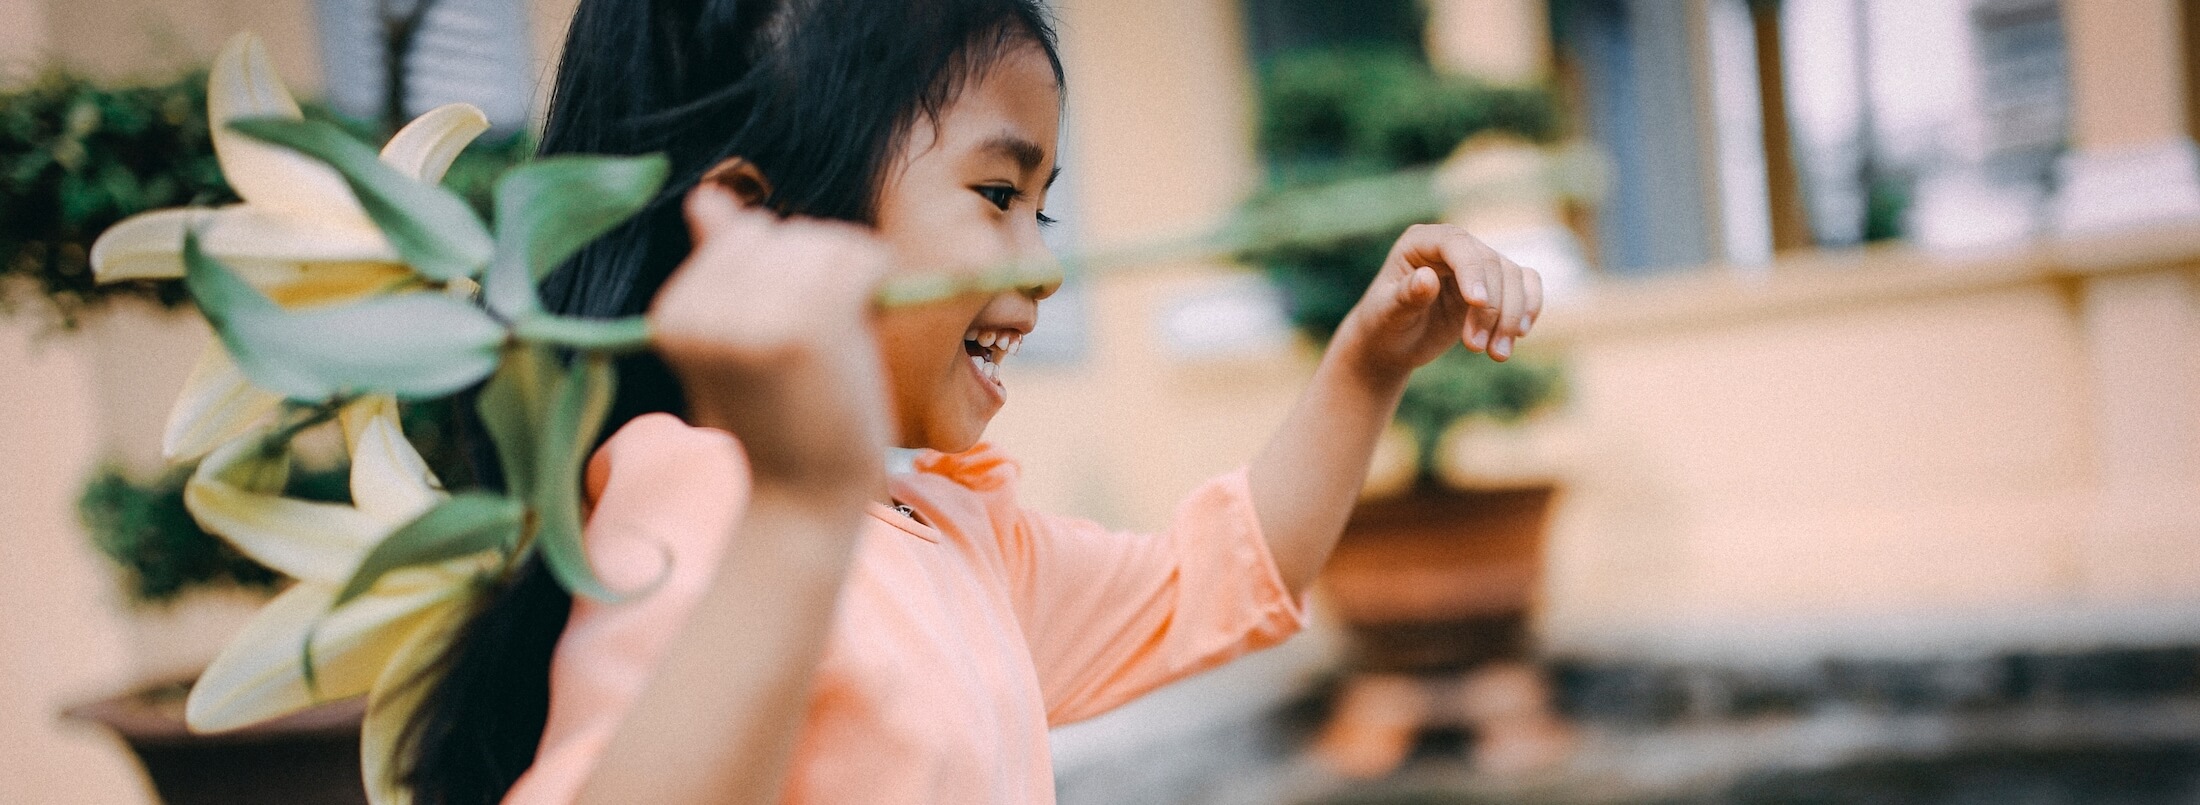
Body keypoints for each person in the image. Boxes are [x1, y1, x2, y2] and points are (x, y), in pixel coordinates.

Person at [397, 0, 1544, 802]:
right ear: (749, 217)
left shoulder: (947, 534)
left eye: (1040, 208)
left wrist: (1370, 359)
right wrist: (798, 506)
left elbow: (1225, 575)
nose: (1039, 264)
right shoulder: (699, 495)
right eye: (996, 192)